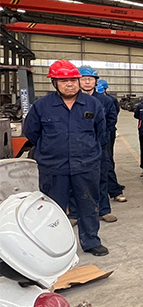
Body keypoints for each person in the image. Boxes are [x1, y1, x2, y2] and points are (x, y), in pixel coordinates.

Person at [23, 60, 109, 256]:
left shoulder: (92, 104)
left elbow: (101, 133)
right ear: (54, 83)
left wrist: (88, 151)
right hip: (54, 167)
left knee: (88, 204)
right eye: (63, 81)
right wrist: (51, 149)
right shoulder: (42, 106)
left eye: (73, 80)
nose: (69, 84)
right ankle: (55, 245)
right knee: (53, 209)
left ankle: (91, 241)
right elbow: (32, 132)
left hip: (86, 165)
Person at [78, 65, 118, 223]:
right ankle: (75, 212)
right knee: (77, 179)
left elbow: (111, 120)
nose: (87, 82)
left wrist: (102, 137)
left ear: (95, 81)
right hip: (77, 146)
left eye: (90, 79)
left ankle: (104, 210)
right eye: (84, 79)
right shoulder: (72, 100)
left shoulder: (105, 101)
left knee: (101, 177)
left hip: (99, 145)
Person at [96, 78, 126, 203]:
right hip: (83, 139)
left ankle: (114, 191)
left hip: (104, 135)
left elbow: (112, 116)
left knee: (106, 161)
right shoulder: (79, 100)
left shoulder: (108, 100)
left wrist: (105, 132)